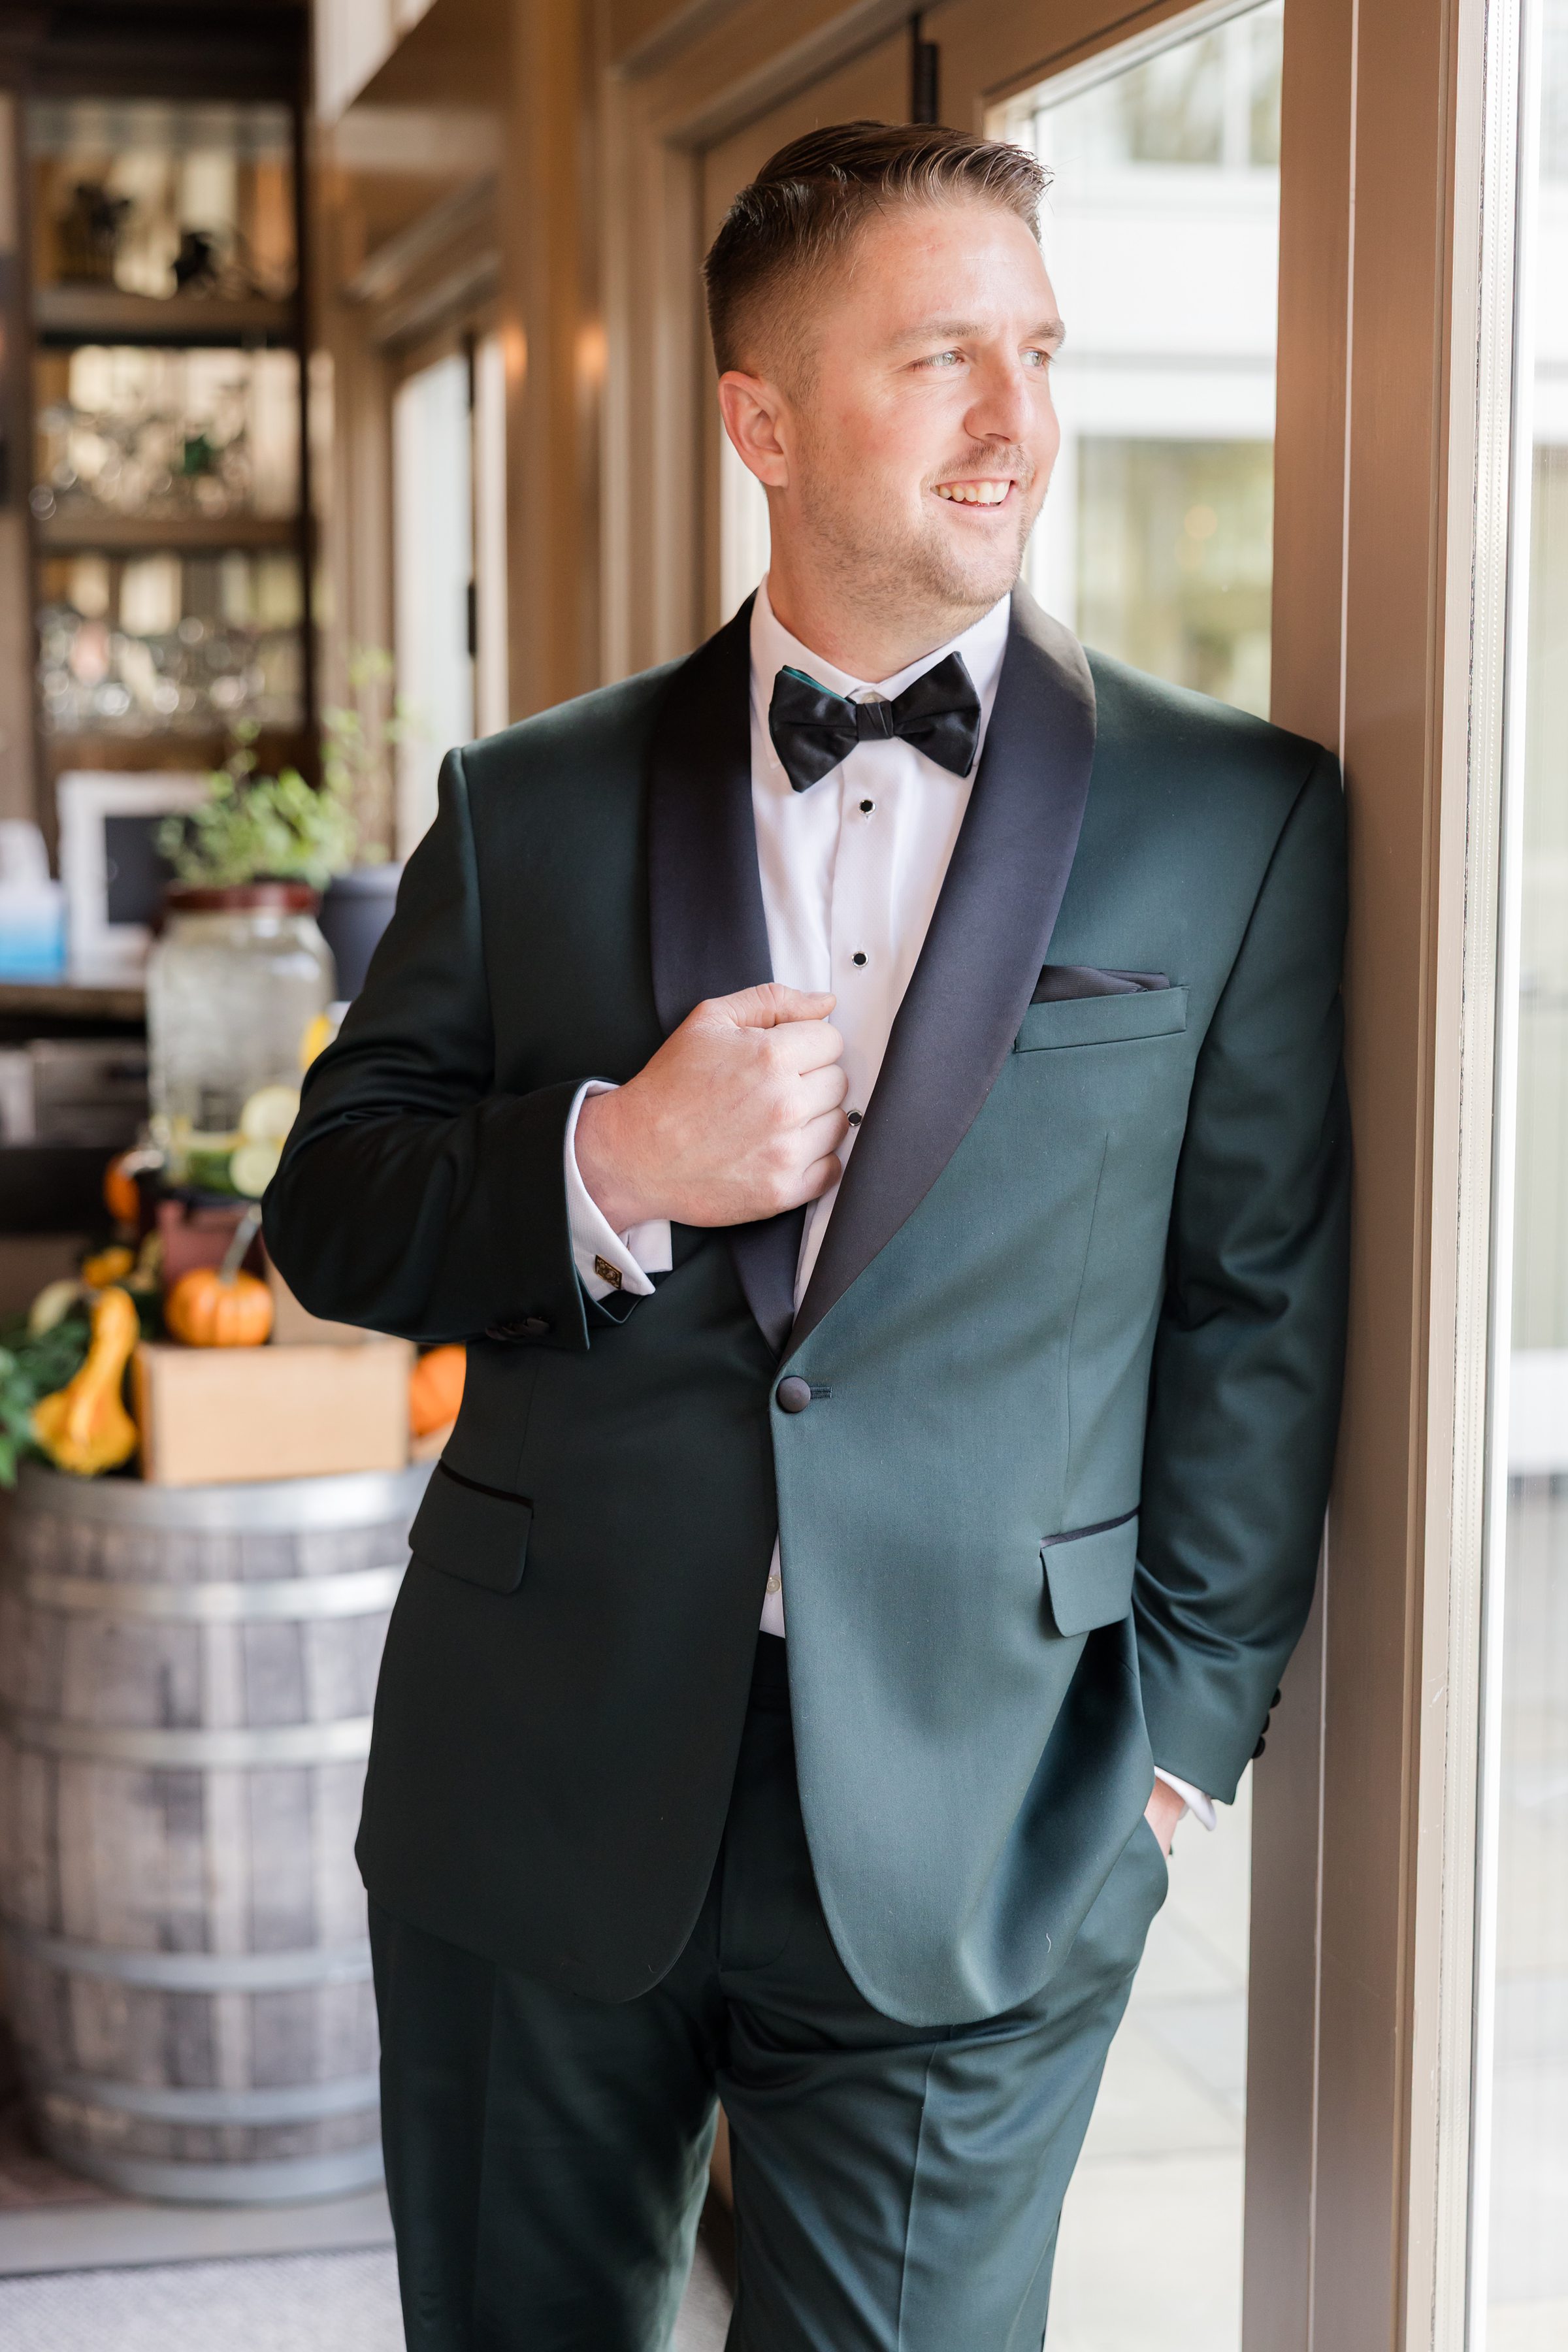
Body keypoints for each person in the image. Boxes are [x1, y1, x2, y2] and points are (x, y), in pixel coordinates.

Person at [265, 119, 1349, 2352]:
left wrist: (1173, 1748)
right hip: (539, 1779)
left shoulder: (1233, 816)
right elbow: (329, 1210)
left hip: (993, 1811)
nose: (1014, 417)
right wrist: (614, 1161)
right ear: (760, 421)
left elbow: (1256, 1304)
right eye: (940, 355)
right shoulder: (527, 802)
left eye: (1038, 351)